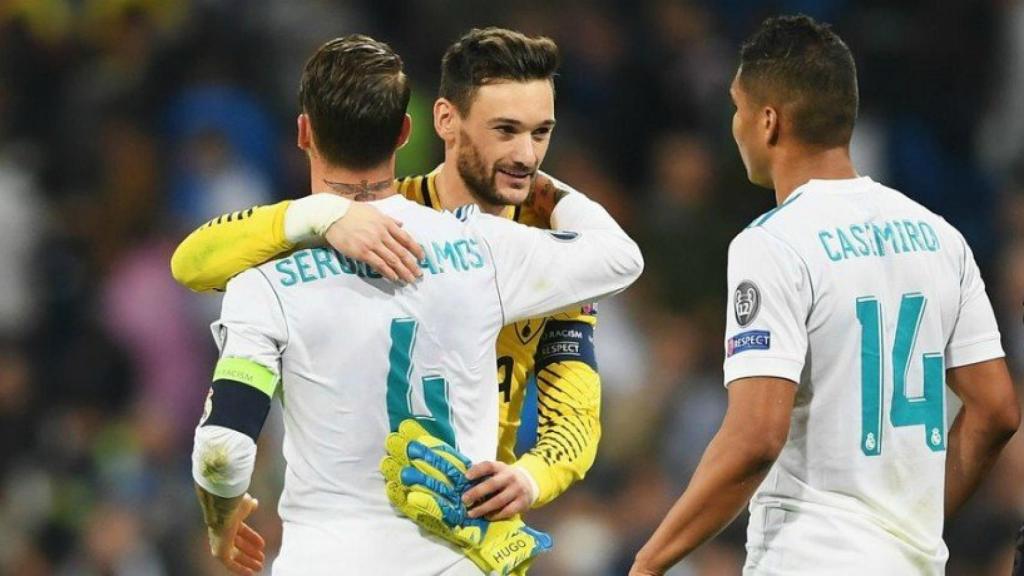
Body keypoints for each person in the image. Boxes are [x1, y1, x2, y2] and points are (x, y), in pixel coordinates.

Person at [189, 34, 642, 576]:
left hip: (445, 530)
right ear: (435, 124)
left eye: (540, 133)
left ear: (304, 132)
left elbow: (574, 418)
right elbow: (621, 257)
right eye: (505, 130)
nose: (525, 155)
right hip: (452, 558)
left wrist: (531, 478)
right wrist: (325, 216)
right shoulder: (488, 250)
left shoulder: (535, 252)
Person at [630, 15, 1020, 576]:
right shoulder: (940, 236)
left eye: (737, 108)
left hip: (807, 557)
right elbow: (997, 409)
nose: (734, 125)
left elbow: (755, 437)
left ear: (768, 121)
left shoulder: (773, 243)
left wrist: (649, 563)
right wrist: (912, 534)